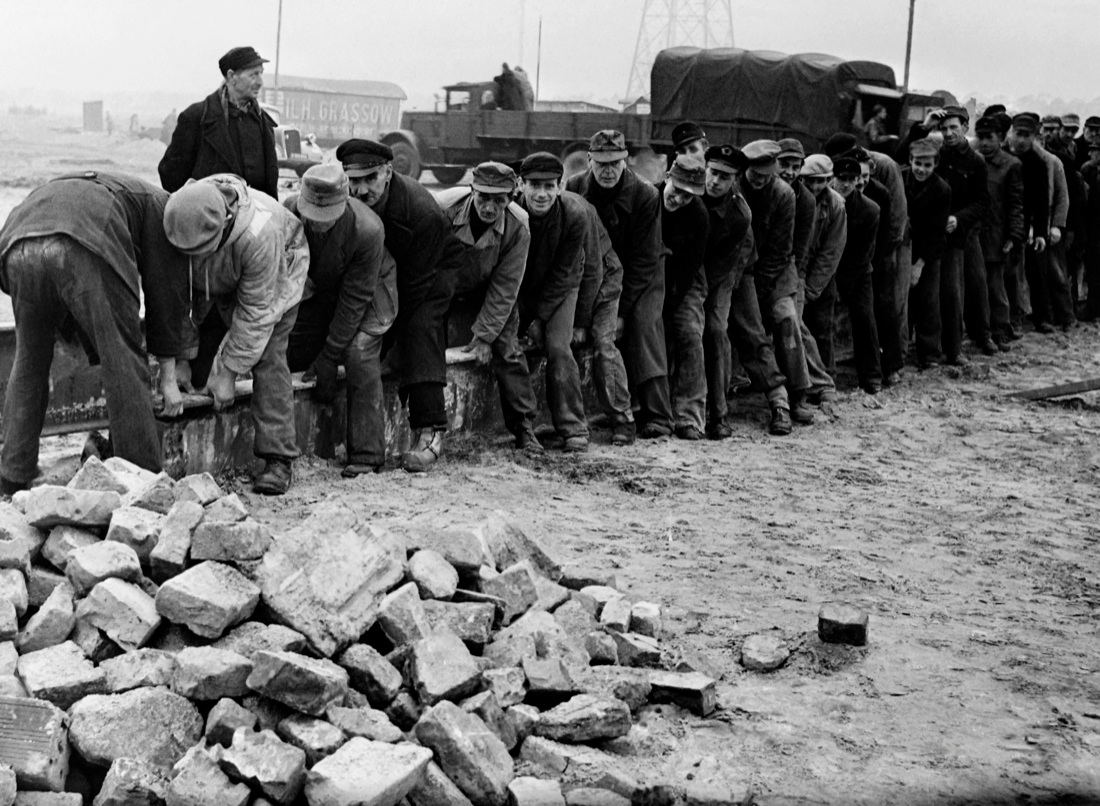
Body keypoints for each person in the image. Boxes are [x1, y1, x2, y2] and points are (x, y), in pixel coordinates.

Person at [0, 172, 191, 494]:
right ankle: (141, 479)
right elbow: (163, 298)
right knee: (123, 358)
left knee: (29, 360)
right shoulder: (163, 210)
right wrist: (169, 377)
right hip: (82, 237)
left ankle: (12, 474)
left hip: (16, 243)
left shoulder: (115, 190)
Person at [162, 174, 309, 494]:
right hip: (220, 277)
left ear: (225, 225)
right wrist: (180, 357)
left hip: (278, 272)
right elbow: (175, 294)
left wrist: (229, 373)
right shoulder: (180, 214)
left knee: (268, 356)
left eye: (201, 252)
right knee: (197, 357)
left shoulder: (261, 234)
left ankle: (278, 457)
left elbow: (257, 313)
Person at [336, 138, 463, 472]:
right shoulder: (347, 202)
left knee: (421, 326)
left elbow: (412, 290)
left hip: (432, 270)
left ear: (389, 172)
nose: (361, 190)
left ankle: (430, 430)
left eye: (370, 178)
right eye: (354, 180)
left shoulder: (422, 213)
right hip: (383, 271)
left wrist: (388, 342)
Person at [283, 163, 395, 476]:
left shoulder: (367, 229)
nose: (318, 224)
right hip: (321, 288)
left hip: (371, 293)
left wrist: (330, 355)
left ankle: (367, 453)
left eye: (327, 217)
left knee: (359, 352)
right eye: (313, 215)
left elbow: (355, 300)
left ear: (344, 203)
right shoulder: (288, 213)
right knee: (287, 345)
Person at [566, 130, 673, 438]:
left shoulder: (645, 194)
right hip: (597, 269)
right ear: (589, 160)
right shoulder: (574, 187)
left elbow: (644, 259)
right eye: (602, 164)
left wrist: (621, 311)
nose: (609, 170)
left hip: (643, 270)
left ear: (626, 161)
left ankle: (658, 414)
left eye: (615, 163)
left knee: (643, 324)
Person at [437, 162, 539, 450]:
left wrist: (485, 335)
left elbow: (506, 286)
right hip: (441, 285)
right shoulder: (443, 209)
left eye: (499, 200)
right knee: (424, 339)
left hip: (488, 290)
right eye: (483, 197)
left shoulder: (518, 226)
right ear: (472, 191)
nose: (490, 207)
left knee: (507, 348)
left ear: (512, 197)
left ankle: (523, 425)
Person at [701, 144, 791, 436]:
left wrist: (737, 290)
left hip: (737, 270)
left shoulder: (747, 206)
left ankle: (778, 402)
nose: (717, 181)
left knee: (746, 331)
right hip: (702, 272)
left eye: (725, 177)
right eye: (713, 173)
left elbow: (749, 253)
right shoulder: (698, 187)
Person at [515, 152, 589, 451]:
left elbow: (564, 272)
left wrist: (539, 319)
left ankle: (572, 425)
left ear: (560, 187)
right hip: (519, 286)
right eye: (534, 185)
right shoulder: (511, 212)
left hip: (562, 286)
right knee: (507, 342)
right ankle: (522, 425)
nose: (541, 194)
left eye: (549, 186)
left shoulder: (574, 215)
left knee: (558, 346)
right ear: (521, 184)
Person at [739, 140, 815, 424]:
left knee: (786, 318)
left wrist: (761, 292)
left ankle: (798, 394)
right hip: (742, 269)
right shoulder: (735, 188)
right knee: (749, 324)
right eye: (754, 174)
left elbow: (781, 250)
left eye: (766, 175)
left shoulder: (784, 194)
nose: (759, 180)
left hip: (778, 268)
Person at [159, 47, 278, 199]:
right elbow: (171, 174)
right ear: (232, 76)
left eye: (261, 73)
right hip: (209, 213)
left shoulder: (263, 123)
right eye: (253, 75)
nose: (260, 82)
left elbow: (270, 186)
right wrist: (196, 205)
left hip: (255, 212)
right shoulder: (196, 118)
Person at [811, 156, 882, 393]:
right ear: (833, 178)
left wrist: (843, 286)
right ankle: (822, 374)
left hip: (857, 271)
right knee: (821, 320)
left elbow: (862, 254)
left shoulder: (870, 209)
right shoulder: (823, 201)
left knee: (864, 317)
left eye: (852, 179)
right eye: (842, 178)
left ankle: (871, 375)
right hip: (825, 268)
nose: (846, 184)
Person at [656, 156, 710, 440]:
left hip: (683, 282)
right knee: (652, 333)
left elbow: (689, 269)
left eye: (687, 197)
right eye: (676, 190)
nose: (677, 199)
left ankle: (689, 415)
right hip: (651, 276)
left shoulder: (698, 216)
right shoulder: (648, 199)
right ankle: (656, 411)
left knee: (688, 331)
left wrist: (670, 304)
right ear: (667, 177)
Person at [574, 198, 634, 445]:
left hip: (604, 275)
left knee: (603, 341)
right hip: (570, 279)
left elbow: (593, 272)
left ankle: (623, 417)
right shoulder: (520, 212)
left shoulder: (578, 212)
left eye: (549, 186)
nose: (541, 194)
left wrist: (581, 321)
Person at [934, 105, 990, 364]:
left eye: (953, 128)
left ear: (966, 127)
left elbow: (982, 201)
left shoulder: (976, 161)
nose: (948, 133)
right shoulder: (937, 155)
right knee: (950, 290)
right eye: (944, 128)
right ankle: (953, 349)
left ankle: (983, 336)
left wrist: (960, 218)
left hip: (966, 230)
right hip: (942, 233)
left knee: (977, 284)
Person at [796, 154, 847, 407]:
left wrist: (811, 289)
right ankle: (806, 382)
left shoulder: (836, 205)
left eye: (821, 181)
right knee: (795, 325)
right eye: (810, 180)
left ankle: (826, 379)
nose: (815, 186)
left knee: (821, 327)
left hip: (820, 273)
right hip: (794, 266)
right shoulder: (794, 196)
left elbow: (831, 251)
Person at [974, 115, 1024, 350]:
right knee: (977, 286)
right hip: (974, 233)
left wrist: (1014, 236)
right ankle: (980, 332)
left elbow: (1016, 204)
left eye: (989, 137)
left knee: (995, 286)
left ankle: (1001, 330)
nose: (984, 143)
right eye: (980, 137)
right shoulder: (973, 160)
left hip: (996, 234)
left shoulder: (1011, 165)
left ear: (1001, 138)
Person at [902, 139, 953, 368]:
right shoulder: (901, 179)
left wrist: (919, 265)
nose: (921, 169)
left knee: (928, 301)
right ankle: (900, 351)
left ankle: (930, 354)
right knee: (902, 300)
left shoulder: (942, 189)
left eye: (927, 165)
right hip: (904, 246)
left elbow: (936, 231)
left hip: (929, 250)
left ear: (935, 165)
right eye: (917, 163)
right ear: (910, 161)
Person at [1004, 114, 1052, 334]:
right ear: (1010, 132)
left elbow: (1042, 201)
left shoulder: (1038, 163)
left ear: (1034, 136)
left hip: (1028, 224)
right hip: (1003, 222)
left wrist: (1040, 231)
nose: (1021, 139)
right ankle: (1010, 318)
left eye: (1027, 135)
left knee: (1036, 271)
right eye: (1018, 134)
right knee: (1007, 274)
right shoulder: (1001, 156)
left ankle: (1042, 317)